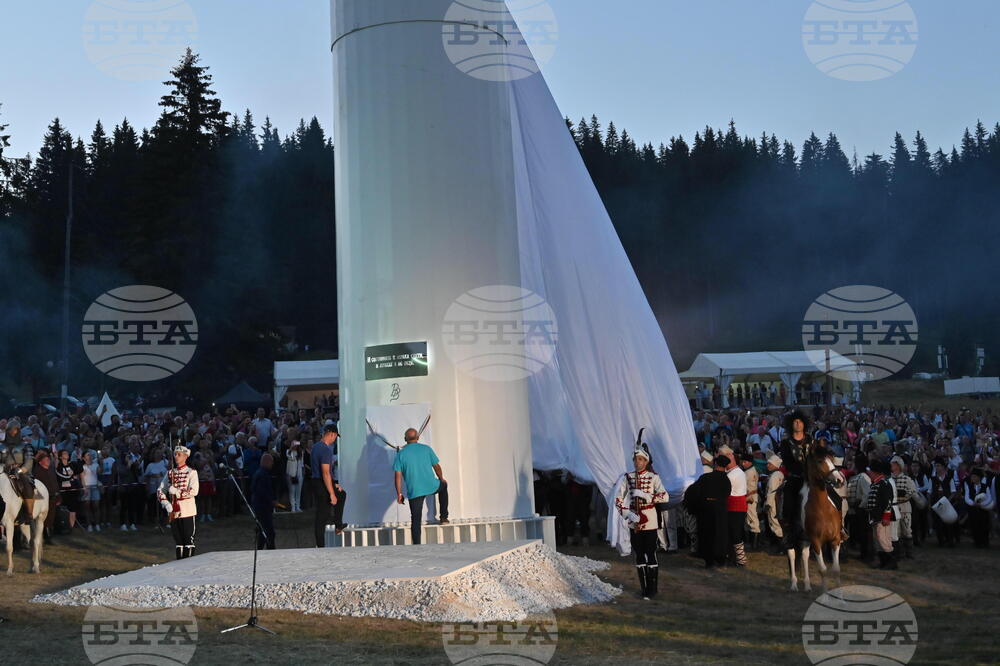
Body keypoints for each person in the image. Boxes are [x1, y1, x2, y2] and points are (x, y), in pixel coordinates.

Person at [614, 443, 668, 599]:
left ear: (646, 461)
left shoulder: (653, 477)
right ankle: (644, 588)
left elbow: (665, 496)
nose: (637, 463)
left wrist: (647, 496)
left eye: (640, 460)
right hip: (634, 520)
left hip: (649, 520)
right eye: (635, 460)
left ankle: (653, 589)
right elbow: (618, 498)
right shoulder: (627, 477)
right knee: (638, 553)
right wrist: (626, 513)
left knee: (650, 552)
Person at [394, 428, 449, 545]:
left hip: (415, 490)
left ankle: (417, 545)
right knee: (443, 486)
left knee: (416, 519)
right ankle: (443, 517)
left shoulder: (401, 454)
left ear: (405, 439)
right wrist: (441, 479)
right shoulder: (426, 449)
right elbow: (437, 467)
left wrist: (399, 494)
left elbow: (397, 476)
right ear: (418, 438)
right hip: (431, 485)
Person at [684, 456, 732, 568]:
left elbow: (693, 492)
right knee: (720, 534)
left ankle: (709, 560)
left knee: (707, 534)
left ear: (715, 464)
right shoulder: (726, 480)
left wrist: (695, 506)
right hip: (720, 510)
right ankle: (720, 559)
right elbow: (727, 494)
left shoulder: (706, 477)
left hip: (706, 510)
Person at [157, 446, 200, 559]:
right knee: (178, 541)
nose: (176, 456)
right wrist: (166, 504)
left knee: (188, 539)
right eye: (175, 454)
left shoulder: (191, 472)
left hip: (187, 510)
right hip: (173, 511)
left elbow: (194, 491)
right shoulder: (170, 473)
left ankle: (189, 565)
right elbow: (160, 490)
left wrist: (176, 491)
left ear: (185, 456)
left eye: (179, 454)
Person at [312, 424, 347, 547]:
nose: (335, 439)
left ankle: (338, 524)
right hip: (321, 482)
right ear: (332, 434)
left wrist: (334, 484)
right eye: (336, 436)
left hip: (318, 481)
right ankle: (321, 545)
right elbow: (325, 472)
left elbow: (327, 473)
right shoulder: (326, 449)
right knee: (322, 515)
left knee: (342, 494)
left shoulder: (316, 446)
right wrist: (332, 493)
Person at [866, 459, 898, 570]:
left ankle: (891, 562)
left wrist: (886, 517)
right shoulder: (877, 483)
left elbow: (888, 501)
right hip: (875, 517)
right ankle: (883, 562)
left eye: (871, 471)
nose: (869, 473)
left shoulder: (883, 483)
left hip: (882, 518)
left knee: (884, 539)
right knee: (878, 540)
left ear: (875, 472)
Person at [722, 448, 748, 566]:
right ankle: (734, 557)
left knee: (735, 534)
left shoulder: (734, 474)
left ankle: (741, 559)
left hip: (735, 507)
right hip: (735, 506)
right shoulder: (735, 472)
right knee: (731, 533)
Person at [889, 456, 917, 559]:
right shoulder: (889, 479)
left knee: (907, 530)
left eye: (895, 464)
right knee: (896, 532)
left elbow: (912, 492)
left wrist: (903, 495)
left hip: (904, 507)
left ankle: (909, 553)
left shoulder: (907, 479)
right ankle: (898, 553)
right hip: (893, 507)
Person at [31, 450, 59, 543]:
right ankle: (45, 536)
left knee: (51, 517)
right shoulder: (37, 472)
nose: (48, 460)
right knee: (43, 518)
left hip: (53, 497)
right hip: (43, 499)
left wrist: (58, 495)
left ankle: (49, 535)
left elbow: (55, 483)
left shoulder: (51, 469)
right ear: (40, 462)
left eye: (48, 459)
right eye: (45, 459)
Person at [964, 468, 994, 548]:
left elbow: (989, 498)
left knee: (984, 525)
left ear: (979, 477)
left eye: (974, 477)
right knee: (974, 525)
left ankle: (985, 542)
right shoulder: (969, 486)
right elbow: (967, 497)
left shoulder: (985, 486)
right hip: (973, 509)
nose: (973, 478)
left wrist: (982, 504)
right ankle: (977, 542)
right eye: (972, 477)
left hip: (983, 509)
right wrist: (972, 503)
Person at [252, 453, 277, 549]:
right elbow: (261, 491)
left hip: (261, 506)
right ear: (267, 462)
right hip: (262, 507)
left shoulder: (261, 473)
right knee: (269, 532)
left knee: (263, 531)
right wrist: (271, 501)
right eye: (271, 462)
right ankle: (271, 550)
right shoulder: (262, 475)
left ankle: (260, 549)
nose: (272, 464)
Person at [764, 454, 785, 554]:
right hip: (779, 502)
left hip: (772, 502)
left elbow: (772, 491)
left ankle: (781, 548)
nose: (767, 465)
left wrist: (768, 504)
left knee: (774, 524)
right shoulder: (780, 474)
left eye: (769, 464)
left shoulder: (774, 476)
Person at [741, 453, 761, 551]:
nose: (743, 464)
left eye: (745, 462)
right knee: (749, 519)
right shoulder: (751, 470)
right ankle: (751, 543)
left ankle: (755, 545)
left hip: (750, 497)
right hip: (751, 496)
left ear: (749, 462)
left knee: (752, 518)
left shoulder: (748, 472)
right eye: (742, 462)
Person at [285, 439, 305, 513]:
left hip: (299, 473)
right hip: (291, 473)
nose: (295, 445)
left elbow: (302, 464)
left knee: (298, 491)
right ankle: (293, 507)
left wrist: (303, 473)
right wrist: (291, 447)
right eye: (294, 444)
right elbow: (289, 456)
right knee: (292, 490)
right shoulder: (288, 451)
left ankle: (298, 507)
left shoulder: (301, 452)